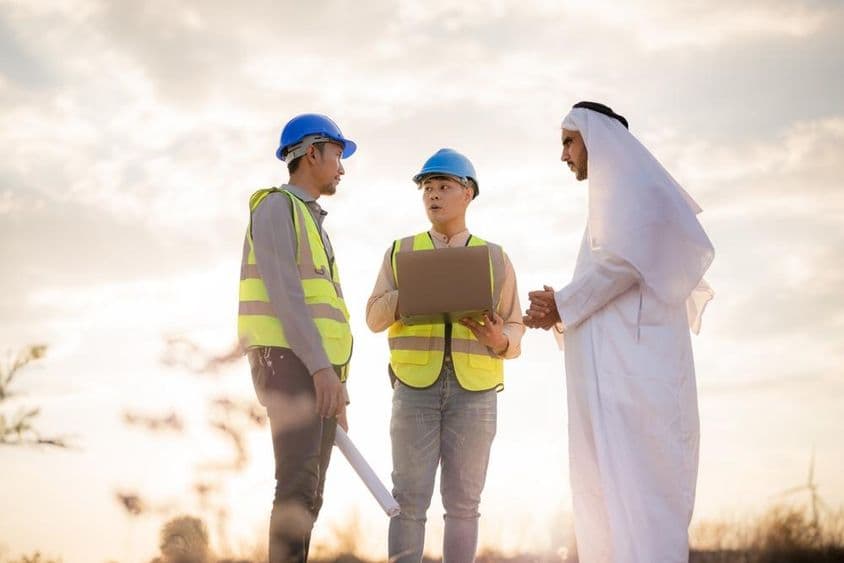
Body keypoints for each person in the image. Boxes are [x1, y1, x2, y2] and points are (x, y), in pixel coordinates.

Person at [524, 102, 714, 563]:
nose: (564, 155)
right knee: (605, 499)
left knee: (642, 501)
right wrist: (560, 310)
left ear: (599, 138)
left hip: (639, 388)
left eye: (569, 142)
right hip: (612, 387)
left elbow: (624, 265)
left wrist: (561, 304)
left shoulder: (640, 192)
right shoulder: (610, 206)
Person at [366, 148, 525, 563]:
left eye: (443, 186)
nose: (433, 195)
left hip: (475, 391)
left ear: (468, 193)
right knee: (409, 500)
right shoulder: (400, 252)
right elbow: (373, 316)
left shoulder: (495, 257)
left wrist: (499, 340)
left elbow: (515, 325)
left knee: (464, 504)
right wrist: (411, 295)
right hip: (414, 388)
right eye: (427, 188)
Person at [237, 113, 356, 563]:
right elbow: (286, 296)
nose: (341, 169)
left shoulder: (312, 221)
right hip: (289, 364)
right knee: (296, 486)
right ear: (312, 152)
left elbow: (325, 311)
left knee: (311, 493)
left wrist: (337, 380)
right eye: (338, 156)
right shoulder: (274, 208)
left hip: (316, 369)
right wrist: (322, 369)